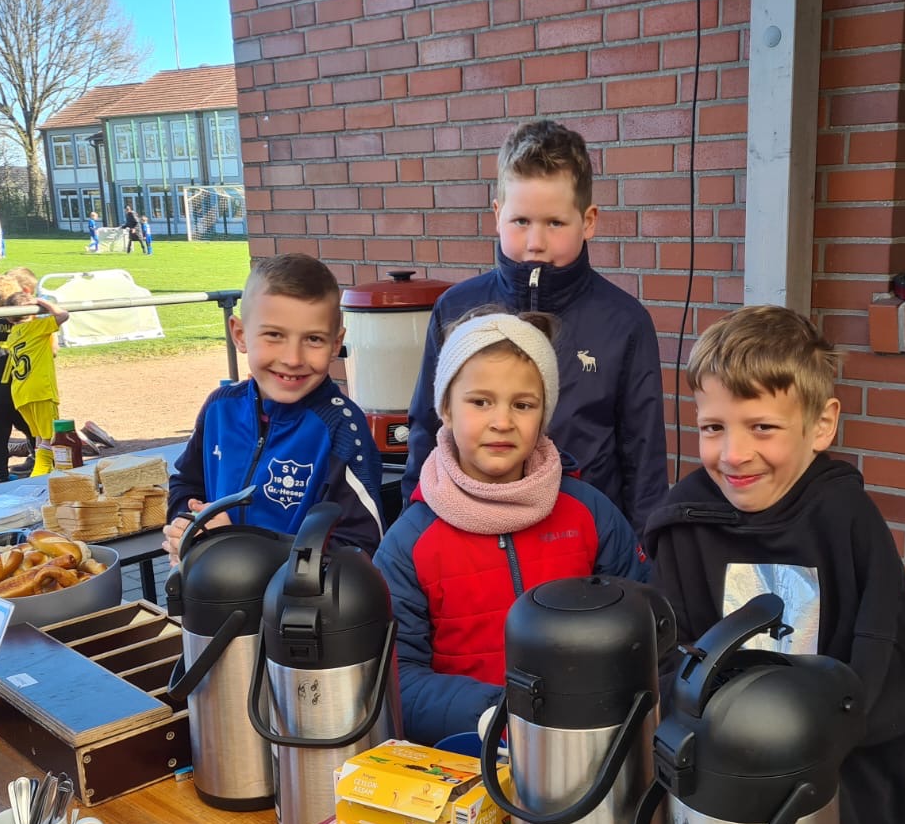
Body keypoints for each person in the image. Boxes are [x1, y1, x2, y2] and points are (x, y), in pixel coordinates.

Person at [643, 306, 905, 824]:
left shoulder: (847, 523)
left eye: (762, 427)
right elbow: (669, 655)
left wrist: (815, 741)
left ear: (821, 423)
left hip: (832, 782)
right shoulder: (684, 526)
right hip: (718, 781)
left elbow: (885, 663)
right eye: (712, 427)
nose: (734, 454)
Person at [375, 310, 646, 745]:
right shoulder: (409, 543)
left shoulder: (590, 514)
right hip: (463, 757)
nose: (502, 421)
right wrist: (499, 712)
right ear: (445, 408)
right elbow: (394, 678)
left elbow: (642, 631)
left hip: (586, 749)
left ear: (544, 415)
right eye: (480, 402)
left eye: (523, 405)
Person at [402, 119, 667, 531]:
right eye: (521, 221)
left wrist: (641, 555)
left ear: (589, 220)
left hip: (584, 540)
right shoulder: (456, 309)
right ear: (497, 214)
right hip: (470, 536)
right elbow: (427, 428)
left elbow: (643, 454)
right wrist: (413, 525)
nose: (535, 242)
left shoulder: (625, 322)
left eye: (554, 223)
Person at [166, 253, 383, 562]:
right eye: (274, 335)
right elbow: (186, 484)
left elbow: (358, 549)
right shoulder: (219, 409)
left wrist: (237, 547)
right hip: (205, 588)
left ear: (336, 344)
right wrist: (186, 526)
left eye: (313, 339)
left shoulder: (342, 428)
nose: (293, 359)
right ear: (240, 335)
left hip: (294, 596)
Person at [0, 275, 70, 477]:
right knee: (50, 437)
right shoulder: (37, 327)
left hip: (21, 392)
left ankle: (44, 470)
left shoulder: (13, 333)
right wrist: (41, 303)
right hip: (40, 390)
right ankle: (40, 476)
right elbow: (63, 315)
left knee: (39, 436)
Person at [0, 273, 35, 481]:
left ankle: (1, 477)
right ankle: (39, 465)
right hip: (20, 388)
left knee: (0, 438)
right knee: (33, 431)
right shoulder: (26, 325)